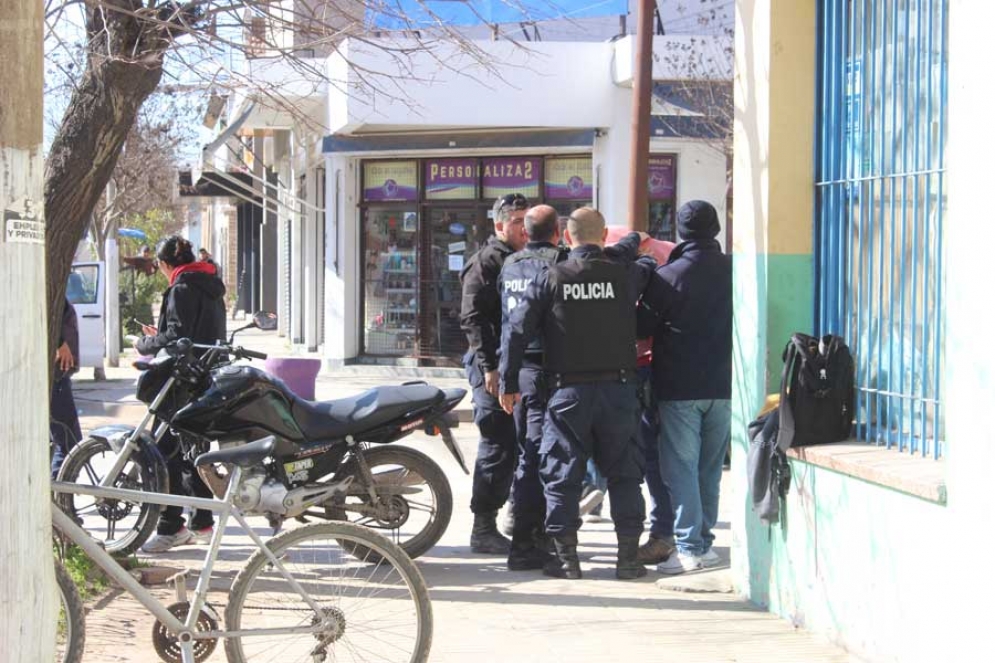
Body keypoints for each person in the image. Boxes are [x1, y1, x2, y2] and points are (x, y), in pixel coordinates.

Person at [499, 207, 653, 580]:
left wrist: (507, 382)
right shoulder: (626, 274)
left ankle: (567, 560)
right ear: (603, 237)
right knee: (625, 476)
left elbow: (516, 331)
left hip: (568, 392)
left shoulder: (551, 276)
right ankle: (628, 559)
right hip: (618, 391)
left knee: (562, 475)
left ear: (566, 238)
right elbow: (641, 260)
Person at [642, 200, 732, 574]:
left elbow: (640, 327)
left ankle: (690, 548)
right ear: (715, 230)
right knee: (709, 470)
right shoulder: (735, 270)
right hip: (725, 385)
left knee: (681, 469)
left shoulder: (668, 277)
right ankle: (704, 543)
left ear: (680, 232)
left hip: (679, 388)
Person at [135, 235, 228, 553]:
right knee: (193, 452)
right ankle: (201, 521)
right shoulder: (209, 284)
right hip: (206, 379)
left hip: (180, 383)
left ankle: (171, 526)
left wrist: (145, 343)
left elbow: (176, 336)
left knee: (164, 452)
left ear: (164, 264)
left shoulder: (180, 288)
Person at [459, 193, 529, 554]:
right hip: (491, 367)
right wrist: (489, 367)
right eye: (517, 221)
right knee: (497, 444)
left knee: (520, 443)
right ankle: (482, 526)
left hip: (514, 365)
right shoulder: (486, 262)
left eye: (526, 219)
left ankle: (515, 516)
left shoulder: (524, 259)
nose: (523, 227)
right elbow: (472, 318)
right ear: (499, 224)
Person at [51, 298, 82, 479]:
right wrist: (59, 342)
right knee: (69, 441)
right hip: (54, 376)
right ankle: (57, 493)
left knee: (60, 440)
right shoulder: (44, 284)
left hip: (58, 375)